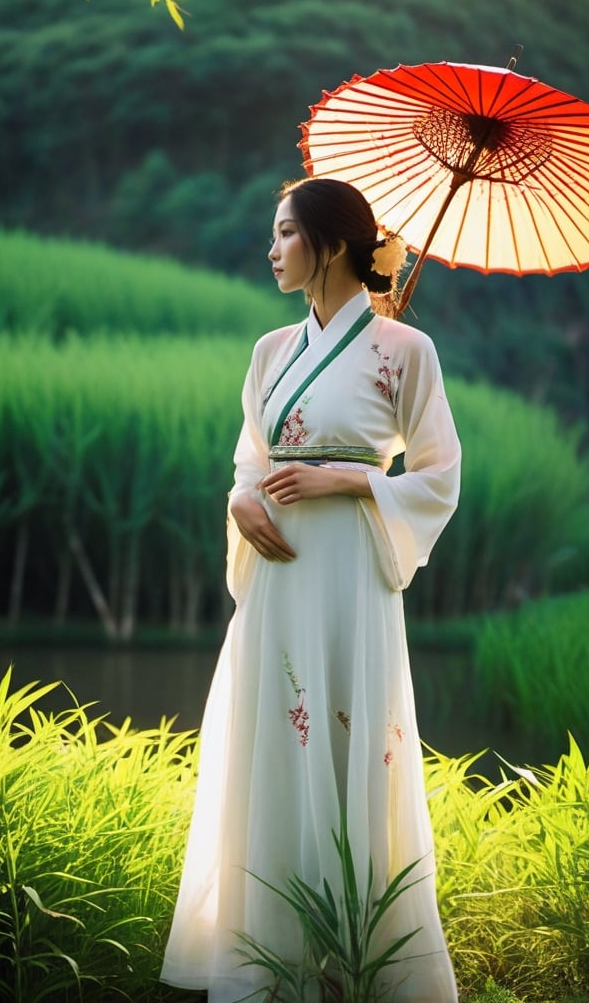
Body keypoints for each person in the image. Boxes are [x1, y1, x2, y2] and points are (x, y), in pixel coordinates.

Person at [161, 177, 461, 1003]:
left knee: (348, 741)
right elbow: (249, 461)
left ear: (330, 244)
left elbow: (439, 475)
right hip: (279, 577)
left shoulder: (407, 352)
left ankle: (352, 962)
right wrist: (238, 499)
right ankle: (269, 962)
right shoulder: (270, 351)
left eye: (285, 233)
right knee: (275, 744)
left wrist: (351, 482)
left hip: (351, 575)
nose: (271, 249)